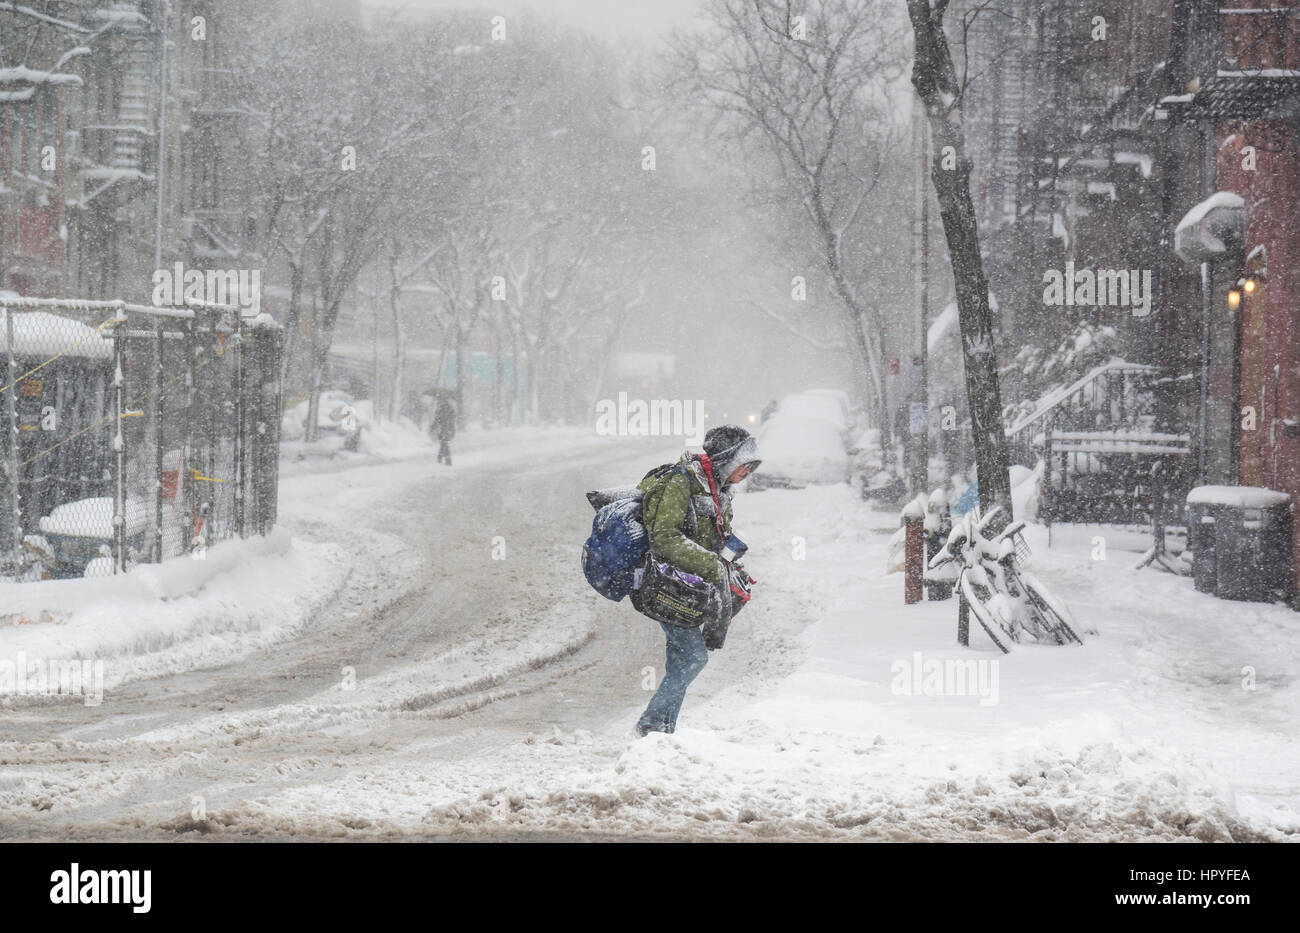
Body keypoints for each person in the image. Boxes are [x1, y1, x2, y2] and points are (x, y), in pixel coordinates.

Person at [633, 424, 761, 737]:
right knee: (693, 657)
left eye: (750, 467)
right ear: (726, 460)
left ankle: (663, 731)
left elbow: (710, 537)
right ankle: (651, 725)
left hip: (692, 587)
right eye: (743, 466)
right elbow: (664, 537)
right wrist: (712, 565)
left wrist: (728, 557)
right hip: (667, 584)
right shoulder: (682, 480)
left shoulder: (718, 488)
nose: (746, 473)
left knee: (681, 660)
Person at [431, 395, 456, 465]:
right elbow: (453, 418)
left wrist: (433, 426)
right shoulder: (449, 408)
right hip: (447, 428)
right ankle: (440, 458)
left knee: (444, 443)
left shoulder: (442, 408)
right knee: (443, 444)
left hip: (444, 429)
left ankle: (447, 460)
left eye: (439, 400)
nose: (438, 401)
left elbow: (438, 419)